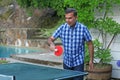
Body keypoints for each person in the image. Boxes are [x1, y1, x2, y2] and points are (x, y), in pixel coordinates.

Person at [47, 8, 94, 80]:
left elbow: (90, 44)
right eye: (66, 18)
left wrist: (91, 60)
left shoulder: (83, 29)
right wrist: (51, 44)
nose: (67, 20)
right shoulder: (62, 28)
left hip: (78, 62)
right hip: (66, 62)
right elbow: (50, 39)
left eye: (70, 18)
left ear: (76, 17)